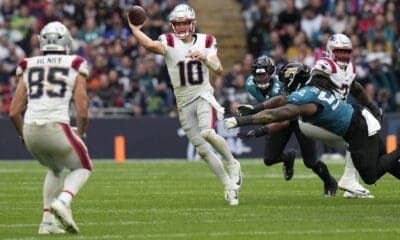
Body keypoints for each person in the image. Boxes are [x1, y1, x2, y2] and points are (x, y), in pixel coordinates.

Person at [126, 4, 242, 205]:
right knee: (203, 150)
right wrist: (136, 30)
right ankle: (228, 186)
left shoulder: (206, 41)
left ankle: (233, 163)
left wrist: (205, 59)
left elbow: (220, 70)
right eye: (177, 24)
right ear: (172, 25)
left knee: (207, 133)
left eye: (184, 23)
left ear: (193, 23)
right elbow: (151, 46)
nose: (181, 27)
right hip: (183, 102)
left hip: (203, 95)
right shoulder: (168, 41)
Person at [224, 62, 400, 187]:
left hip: (358, 129)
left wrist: (241, 121)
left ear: (293, 80)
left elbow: (276, 114)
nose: (283, 85)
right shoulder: (310, 88)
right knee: (385, 161)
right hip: (357, 119)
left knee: (370, 176)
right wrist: (255, 109)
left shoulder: (305, 99)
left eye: (286, 81)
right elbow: (281, 100)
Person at [9, 21, 91, 234]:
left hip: (29, 128)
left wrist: (23, 136)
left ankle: (47, 222)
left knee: (56, 168)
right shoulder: (75, 62)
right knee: (83, 166)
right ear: (66, 42)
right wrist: (81, 133)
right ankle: (63, 201)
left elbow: (13, 111)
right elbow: (82, 109)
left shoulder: (28, 63)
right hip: (55, 125)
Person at [237, 57, 337, 196]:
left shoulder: (281, 87)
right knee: (270, 159)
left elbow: (286, 119)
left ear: (271, 73)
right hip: (278, 115)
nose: (260, 78)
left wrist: (260, 131)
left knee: (310, 162)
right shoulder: (250, 84)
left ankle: (329, 181)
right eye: (257, 75)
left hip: (299, 117)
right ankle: (288, 157)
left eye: (263, 74)